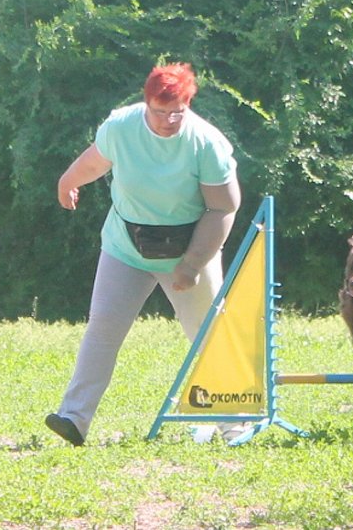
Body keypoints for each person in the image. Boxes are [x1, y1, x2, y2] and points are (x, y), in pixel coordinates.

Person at [46, 63, 241, 446]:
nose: (169, 119)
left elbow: (224, 209)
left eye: (177, 111)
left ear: (189, 104)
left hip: (189, 250)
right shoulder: (121, 126)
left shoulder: (206, 142)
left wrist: (191, 265)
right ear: (145, 102)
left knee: (208, 335)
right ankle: (73, 418)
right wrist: (67, 180)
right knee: (103, 326)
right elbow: (95, 161)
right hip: (125, 248)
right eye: (160, 110)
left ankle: (236, 425)